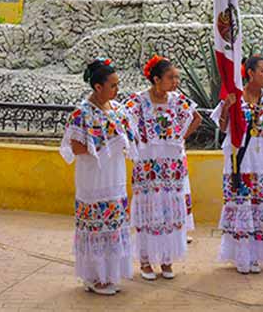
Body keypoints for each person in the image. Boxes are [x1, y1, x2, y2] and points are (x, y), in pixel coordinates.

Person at [59, 58, 136, 296]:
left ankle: (110, 273)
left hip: (115, 176)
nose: (117, 90)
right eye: (112, 85)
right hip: (93, 177)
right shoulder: (81, 113)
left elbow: (130, 136)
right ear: (97, 87)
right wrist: (104, 147)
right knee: (94, 225)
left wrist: (121, 143)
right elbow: (75, 147)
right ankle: (94, 276)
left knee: (113, 223)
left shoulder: (117, 110)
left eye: (117, 84)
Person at [125, 55, 201, 281]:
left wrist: (179, 137)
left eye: (177, 77)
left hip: (171, 166)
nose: (175, 81)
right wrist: (137, 141)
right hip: (148, 165)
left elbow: (195, 118)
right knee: (149, 211)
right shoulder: (138, 102)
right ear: (156, 79)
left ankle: (167, 260)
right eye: (171, 77)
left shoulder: (177, 100)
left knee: (169, 211)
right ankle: (146, 261)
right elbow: (123, 120)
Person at [211, 55, 263, 275]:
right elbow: (223, 128)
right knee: (241, 206)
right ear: (250, 72)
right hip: (240, 162)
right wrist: (227, 108)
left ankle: (257, 256)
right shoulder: (235, 97)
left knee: (260, 205)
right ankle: (241, 255)